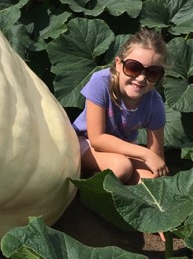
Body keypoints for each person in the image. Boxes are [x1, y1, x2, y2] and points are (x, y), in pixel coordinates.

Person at [72, 28, 168, 185]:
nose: (141, 78)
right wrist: (145, 154)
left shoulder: (155, 103)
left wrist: (155, 168)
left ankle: (97, 177)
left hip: (124, 150)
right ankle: (87, 185)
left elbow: (157, 158)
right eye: (133, 68)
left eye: (152, 73)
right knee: (121, 167)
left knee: (150, 182)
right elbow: (97, 139)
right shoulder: (101, 82)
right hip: (84, 142)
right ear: (118, 64)